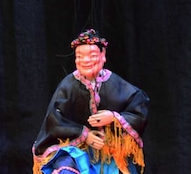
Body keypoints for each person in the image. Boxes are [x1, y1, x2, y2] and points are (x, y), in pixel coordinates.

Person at [32, 29, 149, 174]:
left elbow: (139, 109)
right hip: (76, 150)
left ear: (103, 55)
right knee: (65, 167)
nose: (85, 61)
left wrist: (113, 117)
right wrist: (83, 134)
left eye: (92, 56)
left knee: (122, 168)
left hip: (108, 149)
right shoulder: (68, 85)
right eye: (79, 56)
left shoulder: (116, 84)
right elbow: (54, 120)